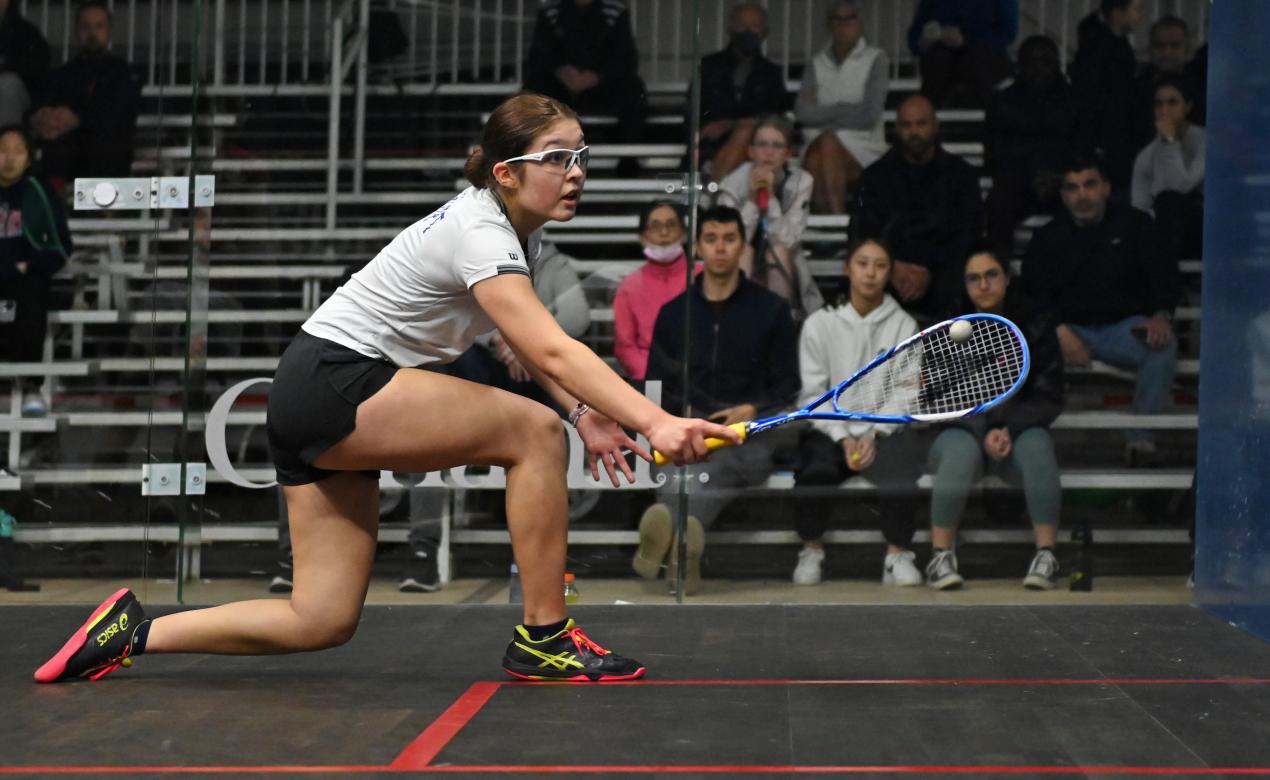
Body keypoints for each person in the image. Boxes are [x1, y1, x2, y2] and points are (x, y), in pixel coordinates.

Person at [33, 93, 741, 684]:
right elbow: (552, 344)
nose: (576, 171)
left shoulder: (503, 234)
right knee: (532, 434)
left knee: (322, 618)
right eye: (557, 158)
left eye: (581, 154)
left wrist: (585, 410)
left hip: (317, 390)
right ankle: (544, 636)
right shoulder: (481, 232)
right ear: (506, 172)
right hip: (339, 382)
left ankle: (132, 631)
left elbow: (529, 345)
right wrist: (653, 421)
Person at [637, 205, 799, 596]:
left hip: (748, 431)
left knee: (717, 458)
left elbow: (787, 385)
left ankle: (668, 530)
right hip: (686, 426)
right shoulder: (674, 314)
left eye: (729, 239)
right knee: (680, 453)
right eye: (711, 239)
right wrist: (684, 414)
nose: (720, 248)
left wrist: (752, 408)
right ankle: (684, 547)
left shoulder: (772, 310)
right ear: (697, 247)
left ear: (742, 245)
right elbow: (656, 383)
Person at [1021, 152, 1179, 466]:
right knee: (1020, 347)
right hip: (1066, 330)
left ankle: (1141, 442)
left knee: (1163, 346)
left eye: (1090, 184)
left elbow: (1164, 275)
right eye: (1073, 187)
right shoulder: (1047, 237)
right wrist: (1059, 330)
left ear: (1106, 187)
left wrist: (1161, 315)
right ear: (1064, 195)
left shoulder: (1136, 225)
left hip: (1123, 328)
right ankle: (1026, 444)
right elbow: (1030, 296)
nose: (1082, 195)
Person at [924, 247, 1065, 591]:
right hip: (960, 434)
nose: (983, 284)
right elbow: (938, 399)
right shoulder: (947, 325)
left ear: (1007, 278)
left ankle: (1046, 555)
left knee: (1039, 444)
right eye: (974, 278)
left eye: (991, 275)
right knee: (959, 451)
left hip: (1014, 436)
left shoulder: (1036, 322)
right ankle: (940, 557)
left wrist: (1007, 428)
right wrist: (984, 429)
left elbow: (1050, 394)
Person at [790, 237, 923, 587]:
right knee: (813, 469)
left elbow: (906, 393)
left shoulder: (904, 326)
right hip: (830, 429)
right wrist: (844, 437)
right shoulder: (820, 324)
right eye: (863, 263)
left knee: (901, 472)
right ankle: (812, 549)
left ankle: (896, 555)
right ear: (848, 268)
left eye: (880, 266)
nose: (871, 273)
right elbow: (812, 394)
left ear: (889, 273)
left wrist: (875, 433)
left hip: (884, 431)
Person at [852, 94, 984, 321]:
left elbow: (968, 234)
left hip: (946, 276)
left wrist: (929, 272)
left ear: (935, 125)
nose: (914, 132)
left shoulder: (961, 176)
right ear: (896, 129)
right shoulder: (875, 176)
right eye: (906, 125)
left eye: (921, 123)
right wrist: (892, 267)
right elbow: (862, 231)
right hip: (888, 275)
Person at [715, 114, 823, 323]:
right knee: (744, 250)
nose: (768, 152)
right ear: (750, 151)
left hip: (783, 260)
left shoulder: (801, 181)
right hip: (739, 260)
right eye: (762, 144)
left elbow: (789, 239)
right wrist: (754, 202)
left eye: (777, 145)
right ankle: (739, 321)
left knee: (778, 252)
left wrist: (770, 198)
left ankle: (781, 322)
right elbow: (730, 238)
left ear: (787, 153)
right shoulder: (732, 182)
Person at [28, 0, 139, 194]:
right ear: (77, 31)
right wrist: (42, 118)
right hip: (68, 155)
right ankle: (55, 206)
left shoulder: (123, 73)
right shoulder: (63, 74)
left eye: (99, 26)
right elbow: (44, 105)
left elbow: (118, 115)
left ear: (109, 31)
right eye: (85, 27)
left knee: (107, 142)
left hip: (104, 154)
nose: (92, 33)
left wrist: (77, 119)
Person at [983, 35, 1079, 256]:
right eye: (1031, 61)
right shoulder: (1003, 101)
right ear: (1020, 65)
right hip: (1016, 185)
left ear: (1056, 64)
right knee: (997, 206)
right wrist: (1028, 176)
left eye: (1044, 61)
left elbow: (1081, 149)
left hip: (1064, 183)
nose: (1038, 68)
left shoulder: (1074, 101)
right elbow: (993, 152)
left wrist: (1061, 178)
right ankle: (999, 274)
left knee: (1085, 202)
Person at [0, 125, 72, 419]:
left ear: (29, 159)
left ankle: (30, 385)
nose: (9, 158)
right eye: (3, 150)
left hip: (23, 279)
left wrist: (28, 265)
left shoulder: (38, 193)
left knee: (30, 297)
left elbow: (60, 249)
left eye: (18, 151)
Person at [523, 0, 646, 171]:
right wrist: (561, 72)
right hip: (560, 88)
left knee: (633, 89)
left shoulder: (614, 11)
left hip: (602, 88)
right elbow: (538, 57)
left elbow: (626, 58)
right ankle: (537, 156)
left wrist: (597, 76)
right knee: (535, 88)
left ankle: (629, 158)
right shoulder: (551, 12)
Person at [795, 0, 889, 214]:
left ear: (860, 22)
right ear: (829, 24)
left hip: (864, 147)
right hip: (817, 144)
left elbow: (868, 115)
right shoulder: (816, 63)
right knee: (818, 153)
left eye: (850, 18)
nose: (843, 25)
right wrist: (846, 109)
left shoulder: (876, 59)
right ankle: (836, 227)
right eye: (838, 19)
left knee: (825, 145)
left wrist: (823, 114)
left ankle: (834, 227)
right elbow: (802, 112)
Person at [694, 2, 790, 180]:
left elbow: (774, 116)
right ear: (730, 29)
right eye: (741, 25)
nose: (747, 31)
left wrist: (733, 124)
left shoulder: (771, 74)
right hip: (711, 145)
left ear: (764, 32)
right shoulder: (709, 66)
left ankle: (715, 194)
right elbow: (693, 108)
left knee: (747, 130)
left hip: (759, 148)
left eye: (754, 26)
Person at [613, 200, 693, 382]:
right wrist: (651, 376)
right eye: (655, 226)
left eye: (671, 225)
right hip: (649, 379)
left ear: (685, 233)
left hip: (700, 378)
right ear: (642, 236)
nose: (664, 233)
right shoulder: (629, 286)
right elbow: (625, 346)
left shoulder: (701, 277)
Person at [1131, 75, 1204, 265]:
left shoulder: (1205, 141)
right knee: (1164, 205)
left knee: (1171, 200)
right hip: (1165, 231)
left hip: (1203, 226)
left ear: (1187, 106)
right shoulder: (1146, 155)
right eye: (1158, 104)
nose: (1165, 110)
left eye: (1172, 103)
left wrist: (1170, 143)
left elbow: (1182, 186)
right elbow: (1139, 207)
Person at [1071, 0, 1142, 193]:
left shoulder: (1095, 42)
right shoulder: (1105, 49)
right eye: (1135, 10)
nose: (1139, 16)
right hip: (1107, 138)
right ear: (1118, 12)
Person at [907, 0, 1018, 109]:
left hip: (983, 57)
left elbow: (1007, 32)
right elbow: (916, 33)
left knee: (972, 61)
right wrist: (924, 41)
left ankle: (993, 114)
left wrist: (965, 40)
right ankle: (927, 114)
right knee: (938, 59)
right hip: (942, 56)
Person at [1128, 16, 1192, 156]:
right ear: (1150, 49)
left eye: (1175, 45)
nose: (1167, 52)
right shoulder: (1133, 90)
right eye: (1160, 46)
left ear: (1187, 49)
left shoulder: (1203, 88)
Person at [0, 0, 50, 126]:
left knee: (8, 84)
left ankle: (7, 143)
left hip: (15, 100)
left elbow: (37, 73)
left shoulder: (26, 33)